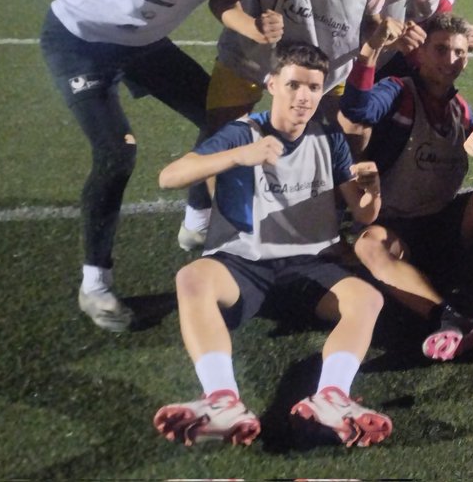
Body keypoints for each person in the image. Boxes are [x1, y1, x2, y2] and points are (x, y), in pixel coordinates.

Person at [43, 0, 277, 332]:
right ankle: (95, 284)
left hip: (144, 44)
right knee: (117, 154)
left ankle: (195, 222)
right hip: (81, 40)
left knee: (220, 116)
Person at [153, 43, 392, 448]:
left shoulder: (328, 136)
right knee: (192, 278)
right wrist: (239, 156)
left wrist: (373, 190)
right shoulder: (243, 132)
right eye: (294, 85)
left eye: (313, 88)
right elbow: (170, 177)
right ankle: (221, 399)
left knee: (367, 300)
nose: (303, 96)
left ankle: (332, 397)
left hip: (310, 265)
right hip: (244, 262)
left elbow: (364, 213)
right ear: (272, 85)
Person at [189, 0, 410, 245]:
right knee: (224, 141)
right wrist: (254, 28)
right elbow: (223, 1)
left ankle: (328, 223)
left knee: (353, 134)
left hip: (323, 71)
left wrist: (387, 31)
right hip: (253, 59)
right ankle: (222, 231)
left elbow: (369, 20)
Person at [343, 14, 473, 361]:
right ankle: (444, 316)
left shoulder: (458, 108)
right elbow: (358, 109)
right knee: (368, 245)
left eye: (460, 52)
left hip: (442, 223)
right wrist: (371, 49)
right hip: (395, 228)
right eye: (441, 49)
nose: (451, 60)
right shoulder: (398, 91)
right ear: (420, 53)